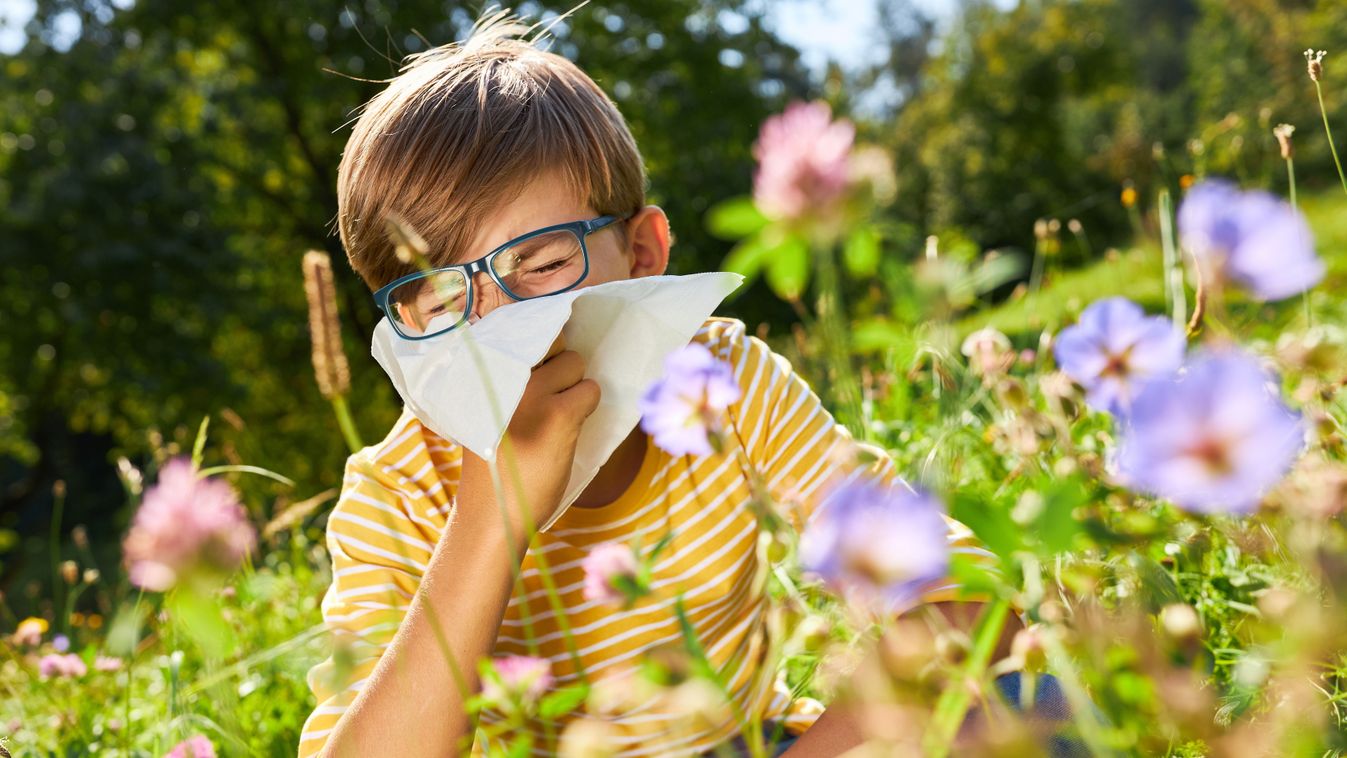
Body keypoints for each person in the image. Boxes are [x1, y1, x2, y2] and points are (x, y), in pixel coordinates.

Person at [298, 11, 1020, 758]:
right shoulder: (398, 490)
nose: (500, 332)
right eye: (444, 300)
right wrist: (490, 518)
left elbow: (966, 608)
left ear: (642, 253)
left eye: (541, 265)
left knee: (1028, 699)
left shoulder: (721, 384)